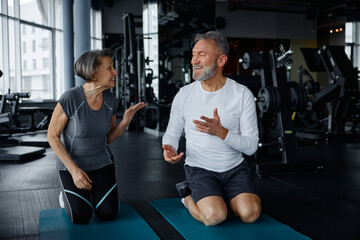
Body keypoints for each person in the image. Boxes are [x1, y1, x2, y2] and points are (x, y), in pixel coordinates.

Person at [162, 31, 261, 226]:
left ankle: (220, 197)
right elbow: (172, 131)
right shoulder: (184, 94)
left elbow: (251, 147)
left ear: (221, 60)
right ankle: (188, 198)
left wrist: (222, 133)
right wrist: (169, 147)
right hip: (200, 169)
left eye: (201, 55)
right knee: (215, 217)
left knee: (250, 214)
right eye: (193, 54)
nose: (194, 60)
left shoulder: (242, 94)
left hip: (234, 169)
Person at [47, 49, 146, 224]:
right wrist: (74, 170)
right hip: (73, 166)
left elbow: (107, 139)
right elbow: (52, 136)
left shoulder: (111, 101)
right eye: (110, 68)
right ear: (93, 72)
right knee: (80, 216)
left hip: (102, 163)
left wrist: (125, 122)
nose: (115, 72)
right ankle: (66, 194)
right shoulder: (71, 98)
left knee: (108, 214)